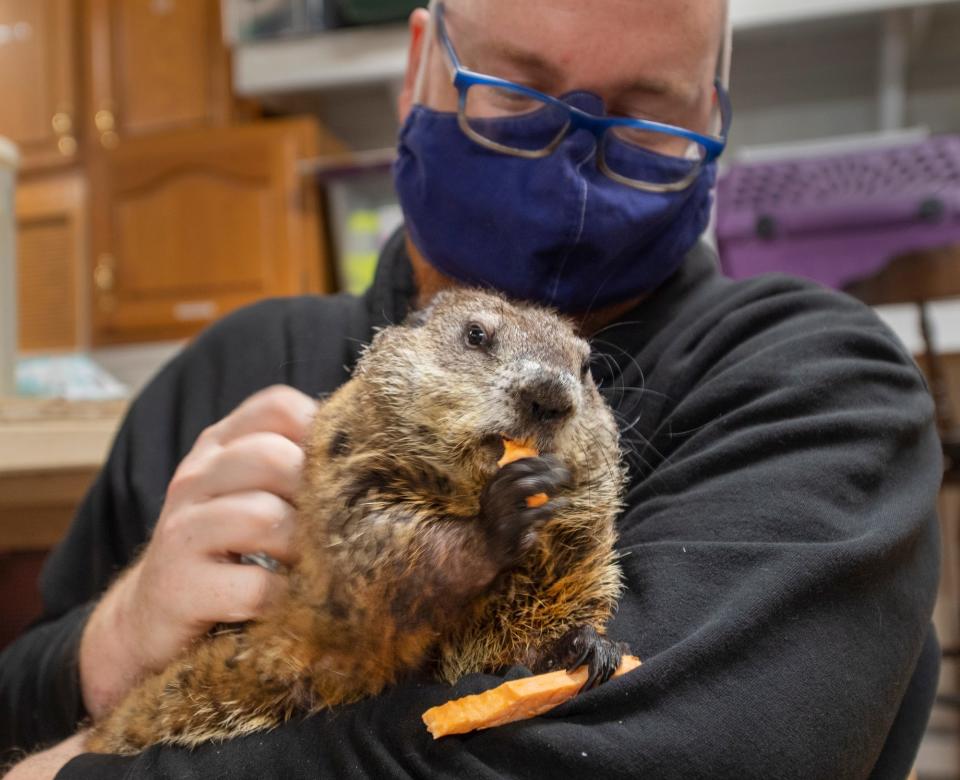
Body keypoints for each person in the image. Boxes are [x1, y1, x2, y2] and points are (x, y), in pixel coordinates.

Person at [0, 1, 943, 777]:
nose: (575, 154)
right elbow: (15, 698)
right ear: (421, 65)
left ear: (712, 119)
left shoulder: (815, 382)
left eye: (648, 111)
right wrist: (110, 640)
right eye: (517, 89)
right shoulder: (236, 363)